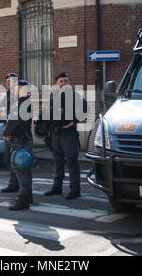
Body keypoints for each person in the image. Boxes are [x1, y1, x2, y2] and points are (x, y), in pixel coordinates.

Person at [43, 72, 87, 200]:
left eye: (66, 81)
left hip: (68, 134)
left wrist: (74, 121)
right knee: (58, 163)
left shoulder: (73, 95)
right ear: (57, 83)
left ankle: (75, 190)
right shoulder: (54, 96)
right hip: (55, 134)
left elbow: (85, 109)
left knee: (72, 162)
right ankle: (57, 188)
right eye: (61, 81)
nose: (64, 83)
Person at [3, 79, 33, 210]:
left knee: (20, 170)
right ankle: (28, 197)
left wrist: (6, 132)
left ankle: (23, 200)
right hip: (24, 139)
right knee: (25, 169)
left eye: (19, 88)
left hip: (20, 141)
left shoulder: (21, 104)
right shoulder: (25, 103)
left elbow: (13, 122)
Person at [0, 72, 20, 193]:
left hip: (17, 132)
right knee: (12, 158)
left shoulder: (21, 95)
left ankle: (22, 186)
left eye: (10, 81)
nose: (8, 84)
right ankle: (13, 184)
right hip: (8, 130)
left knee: (19, 159)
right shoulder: (6, 95)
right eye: (7, 82)